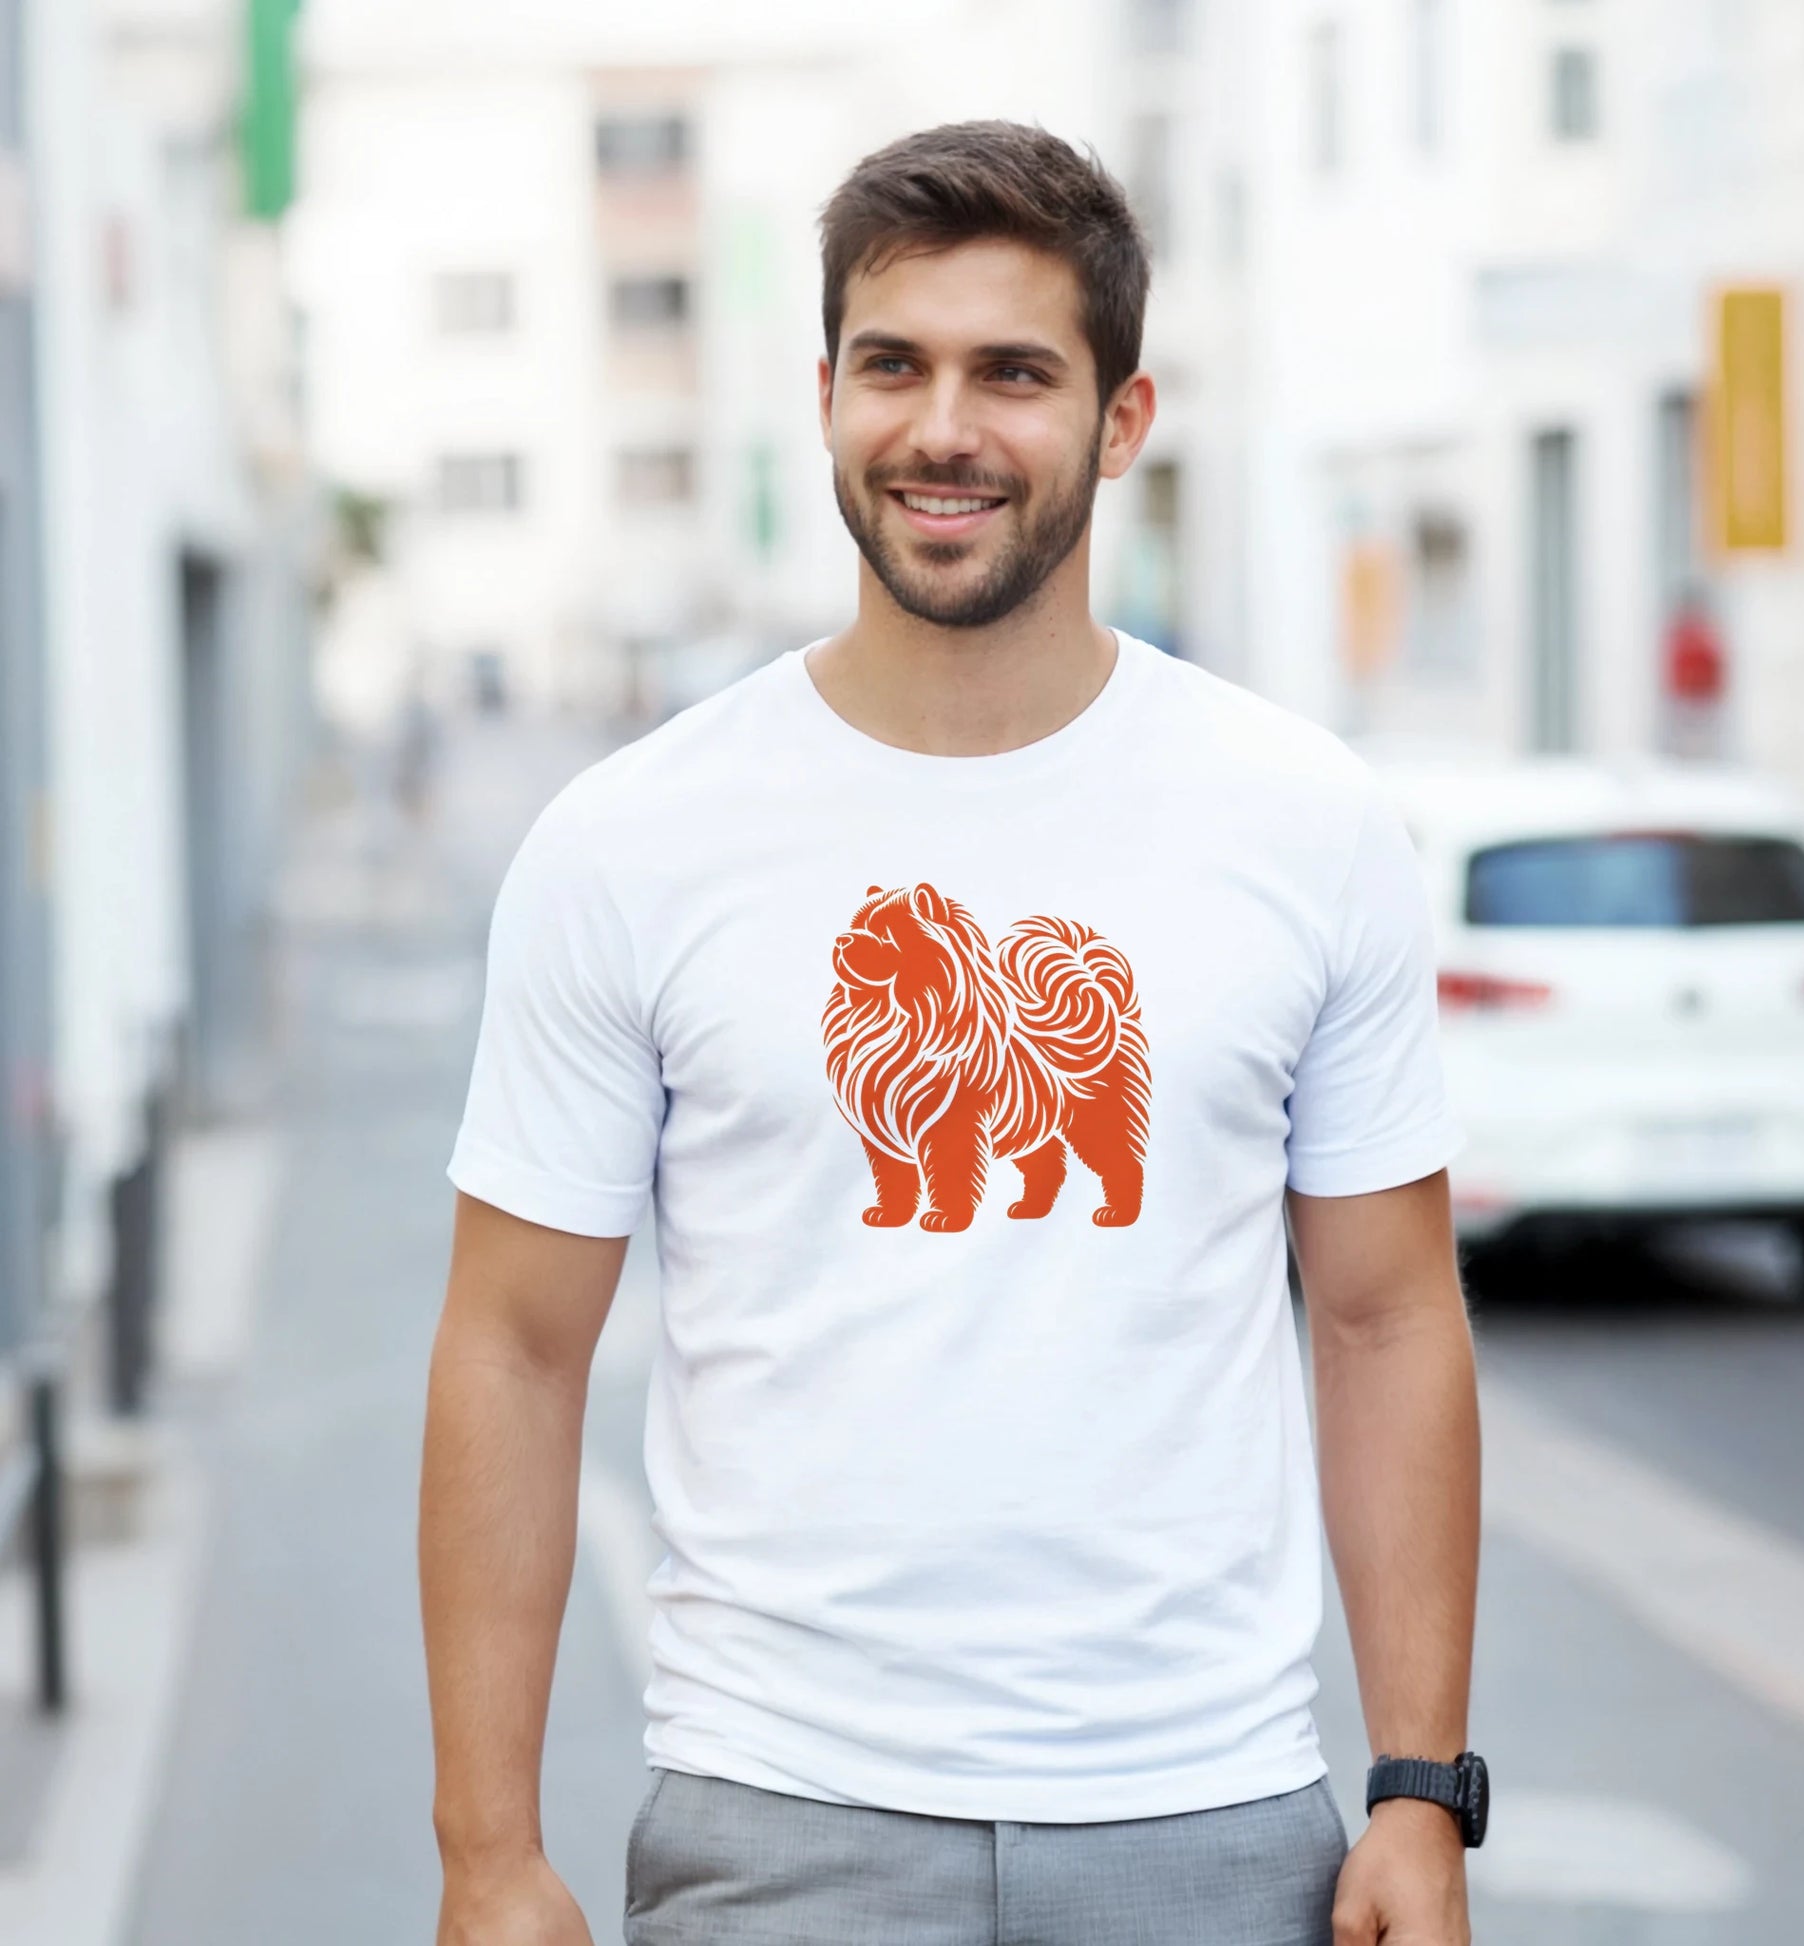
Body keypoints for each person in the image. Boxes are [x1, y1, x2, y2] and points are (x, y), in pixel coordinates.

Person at [422, 121, 1482, 1946]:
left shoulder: (1303, 821)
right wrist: (486, 1853)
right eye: (893, 365)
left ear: (1121, 419)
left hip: (1205, 1812)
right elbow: (512, 1348)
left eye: (1012, 372)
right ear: (824, 394)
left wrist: (1418, 1788)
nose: (942, 428)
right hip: (781, 1819)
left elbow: (1385, 1315)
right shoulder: (630, 838)